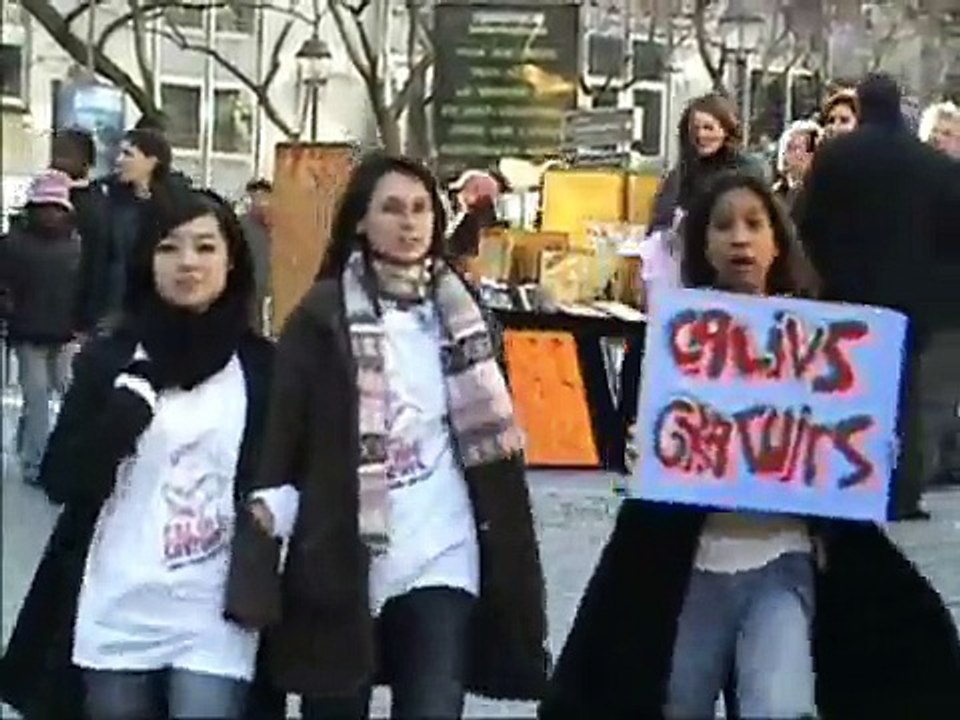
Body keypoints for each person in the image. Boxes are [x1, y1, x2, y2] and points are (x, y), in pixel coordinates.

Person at [539, 170, 960, 720]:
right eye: (723, 226)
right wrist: (647, 452)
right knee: (678, 704)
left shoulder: (820, 341)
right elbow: (637, 447)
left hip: (782, 559)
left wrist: (873, 457)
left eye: (754, 224)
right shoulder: (672, 342)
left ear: (776, 241)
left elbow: (843, 448)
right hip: (691, 564)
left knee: (778, 706)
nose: (740, 237)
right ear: (703, 245)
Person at [234, 153, 549, 719]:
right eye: (393, 209)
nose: (409, 223)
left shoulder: (463, 313)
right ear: (360, 220)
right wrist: (270, 515)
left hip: (442, 548)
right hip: (342, 552)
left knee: (432, 704)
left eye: (422, 208)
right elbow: (286, 432)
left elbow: (492, 441)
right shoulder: (322, 314)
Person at [0, 185, 282, 720]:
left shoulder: (260, 367)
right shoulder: (113, 357)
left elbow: (293, 469)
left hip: (215, 607)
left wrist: (277, 507)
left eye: (205, 247)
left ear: (232, 261)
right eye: (168, 247)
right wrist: (122, 417)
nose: (188, 263)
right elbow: (61, 478)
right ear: (146, 260)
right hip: (120, 597)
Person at [799, 73, 960, 521]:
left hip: (846, 291)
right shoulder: (935, 166)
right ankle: (902, 489)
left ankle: (843, 478)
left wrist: (829, 270)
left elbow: (807, 222)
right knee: (904, 395)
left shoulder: (835, 157)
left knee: (842, 389)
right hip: (912, 299)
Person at [640, 95, 767, 305]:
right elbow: (661, 218)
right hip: (685, 270)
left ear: (725, 129)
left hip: (729, 271)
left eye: (708, 128)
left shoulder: (745, 171)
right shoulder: (683, 171)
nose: (701, 135)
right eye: (695, 129)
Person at [0, 170, 81, 487]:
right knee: (55, 396)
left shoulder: (11, 243)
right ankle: (39, 461)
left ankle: (34, 460)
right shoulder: (77, 244)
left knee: (37, 399)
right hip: (58, 331)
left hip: (33, 331)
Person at [77, 128, 185, 334]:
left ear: (152, 161)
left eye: (128, 154)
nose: (119, 160)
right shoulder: (105, 198)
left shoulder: (177, 205)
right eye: (119, 153)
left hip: (159, 313)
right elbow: (96, 258)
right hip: (110, 312)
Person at [239, 178, 274, 332]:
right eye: (256, 197)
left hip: (271, 287)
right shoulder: (241, 226)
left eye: (264, 198)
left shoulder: (277, 226)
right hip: (248, 288)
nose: (261, 202)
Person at [773, 119, 820, 212]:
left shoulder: (823, 191)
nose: (785, 155)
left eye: (794, 148)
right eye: (787, 148)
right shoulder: (777, 192)